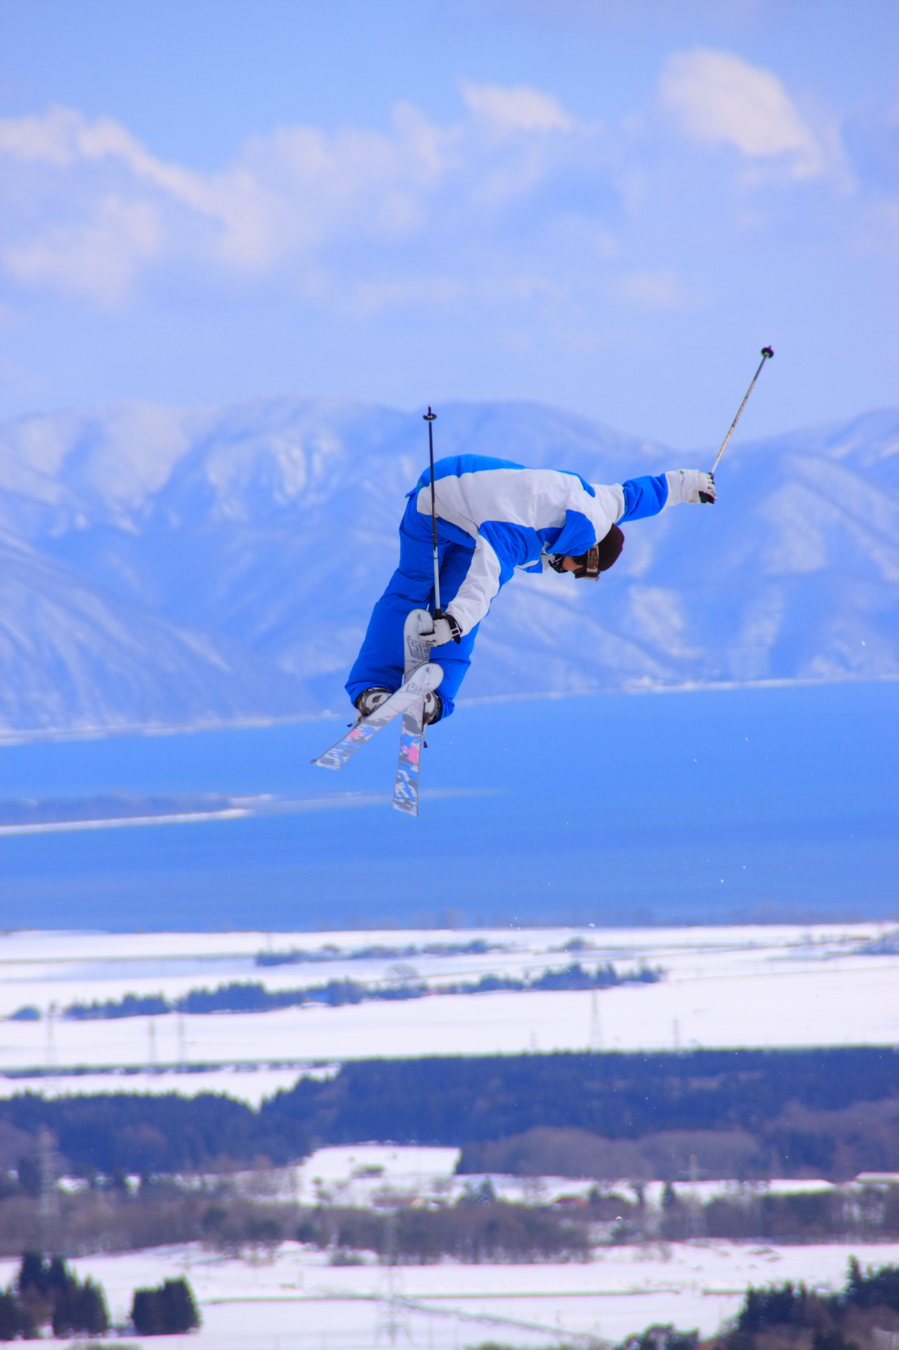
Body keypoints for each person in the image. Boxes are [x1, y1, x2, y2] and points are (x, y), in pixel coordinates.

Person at [346, 455, 716, 723]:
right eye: (578, 571)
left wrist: (686, 485)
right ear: (583, 553)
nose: (568, 574)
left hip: (471, 512)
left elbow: (638, 495)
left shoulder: (601, 506)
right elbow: (485, 580)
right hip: (434, 507)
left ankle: (432, 697)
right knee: (414, 591)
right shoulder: (523, 533)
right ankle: (373, 687)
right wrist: (453, 623)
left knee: (456, 605)